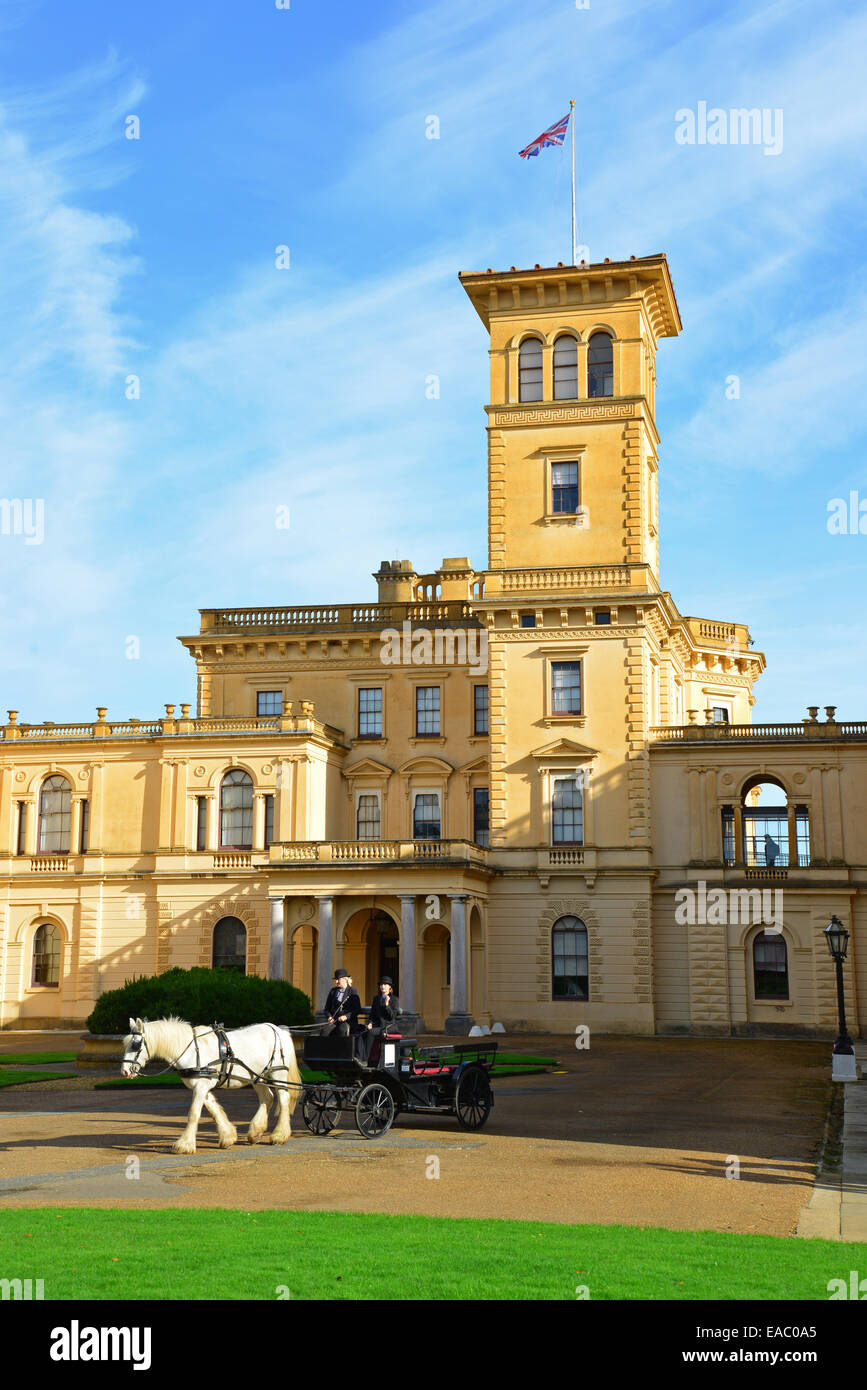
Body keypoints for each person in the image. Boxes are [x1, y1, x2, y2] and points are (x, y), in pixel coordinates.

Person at [358, 976, 401, 1062]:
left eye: (385, 984)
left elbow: (392, 1016)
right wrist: (370, 1023)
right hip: (378, 1026)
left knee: (371, 1032)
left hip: (389, 1027)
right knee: (361, 1034)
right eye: (381, 984)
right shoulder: (376, 998)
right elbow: (372, 1014)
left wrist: (387, 1005)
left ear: (390, 987)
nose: (382, 986)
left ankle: (365, 1059)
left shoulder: (394, 999)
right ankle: (358, 1057)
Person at [322, 968, 361, 1036]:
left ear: (344, 979)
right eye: (336, 980)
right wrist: (329, 1017)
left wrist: (346, 1016)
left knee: (341, 1030)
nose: (336, 982)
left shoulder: (352, 991)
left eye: (338, 979)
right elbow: (326, 1009)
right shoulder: (333, 991)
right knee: (325, 1031)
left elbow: (357, 1009)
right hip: (335, 1021)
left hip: (348, 1022)